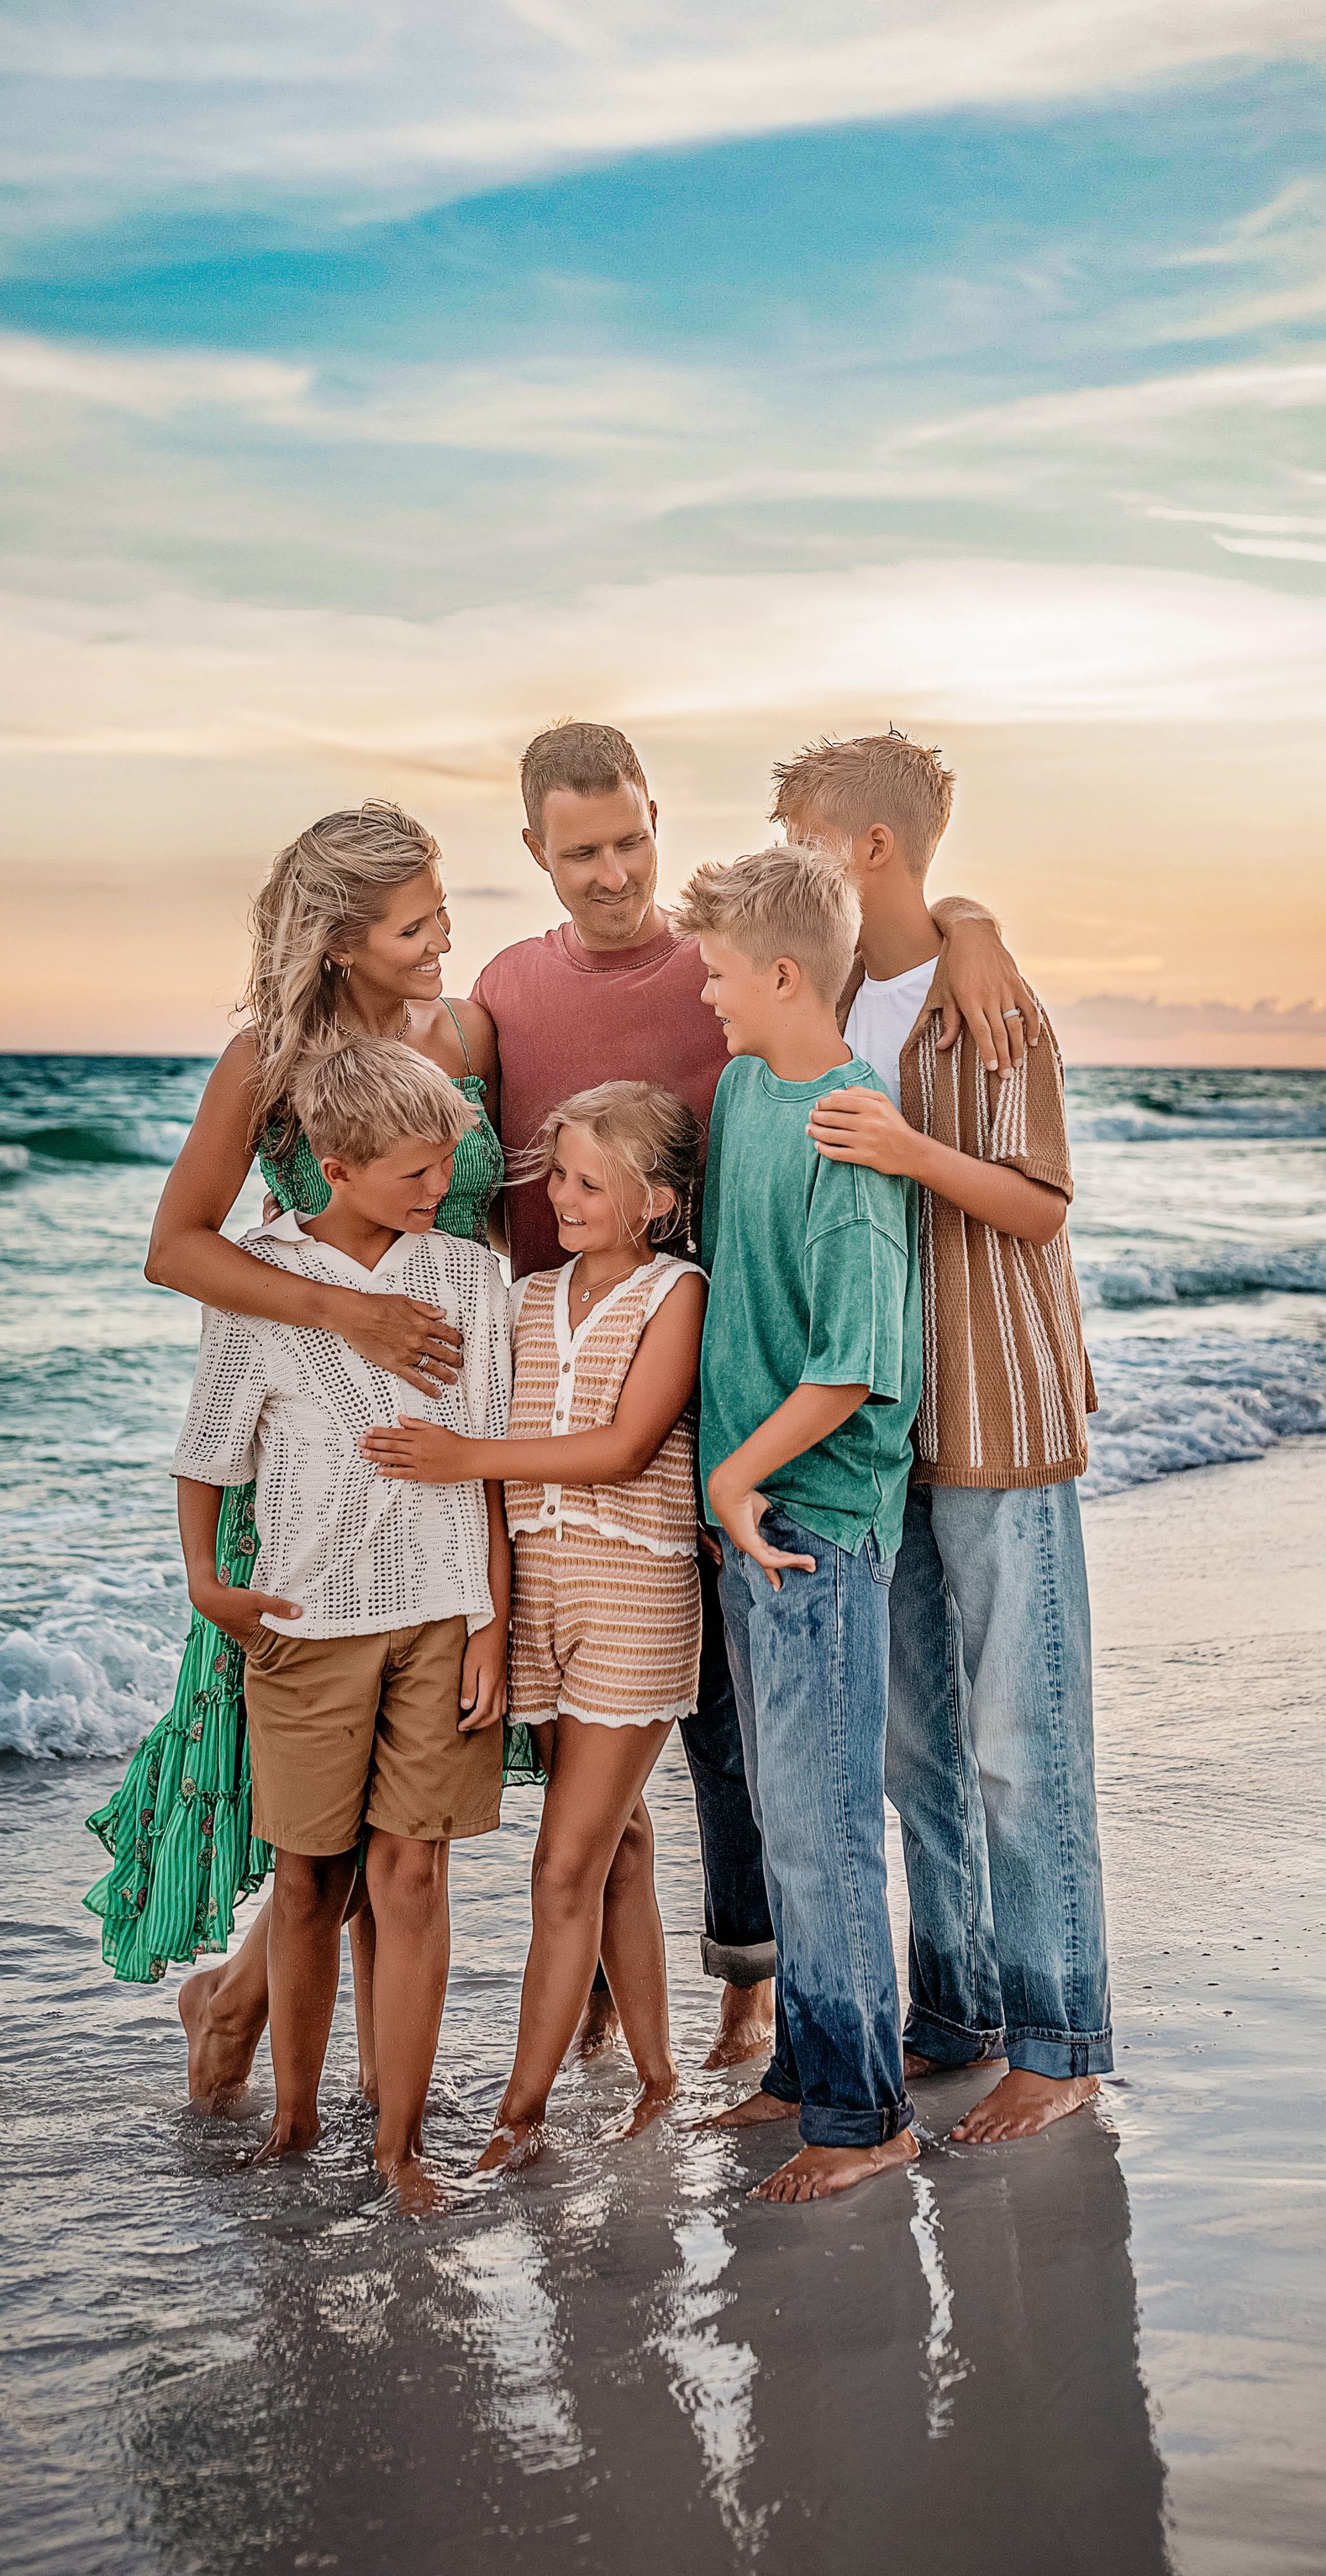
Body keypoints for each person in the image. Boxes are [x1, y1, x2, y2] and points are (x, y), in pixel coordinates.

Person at [473, 719, 1033, 2071]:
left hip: (754, 1419)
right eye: (581, 851)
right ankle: (684, 2018)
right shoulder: (537, 998)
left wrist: (972, 920)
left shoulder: (759, 1022)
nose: (613, 872)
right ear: (537, 853)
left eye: (629, 839)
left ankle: (798, 2030)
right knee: (651, 1725)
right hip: (618, 1373)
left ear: (656, 816)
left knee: (769, 1749)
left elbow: (859, 927)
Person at [83, 801, 509, 2120]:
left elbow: (494, 1218)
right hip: (320, 1456)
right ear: (339, 938)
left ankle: (378, 2106)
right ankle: (244, 2024)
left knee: (408, 1835)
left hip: (452, 1455)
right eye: (415, 921)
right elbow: (179, 1246)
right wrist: (350, 1312)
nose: (445, 937)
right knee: (315, 1826)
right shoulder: (266, 1059)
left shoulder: (468, 1035)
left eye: (442, 909)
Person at [774, 729, 1111, 2141]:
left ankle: (1060, 2030)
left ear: (871, 848)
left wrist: (912, 1146)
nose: (787, 856)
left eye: (798, 835)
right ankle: (956, 2007)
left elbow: (1041, 1202)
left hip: (1001, 1409)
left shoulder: (994, 996)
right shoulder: (837, 992)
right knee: (918, 1751)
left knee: (1023, 1741)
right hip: (884, 1423)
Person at [166, 1031, 513, 2213]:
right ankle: (298, 2120)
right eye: (417, 1171)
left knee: (412, 1875)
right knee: (309, 1879)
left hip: (440, 1611)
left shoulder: (466, 1276)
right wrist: (207, 1577)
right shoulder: (260, 1278)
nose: (438, 1191)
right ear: (331, 1158)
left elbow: (489, 1472)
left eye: (444, 1167)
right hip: (308, 1621)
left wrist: (491, 1622)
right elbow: (211, 1444)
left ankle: (400, 2148)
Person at [364, 1082, 707, 2168]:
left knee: (563, 1867)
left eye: (589, 1181)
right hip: (540, 1599)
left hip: (634, 1594)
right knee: (621, 1843)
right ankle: (658, 2075)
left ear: (654, 1199)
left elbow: (621, 1448)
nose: (561, 1195)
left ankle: (519, 2117)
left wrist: (468, 1459)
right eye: (556, 1173)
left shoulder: (679, 1295)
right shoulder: (526, 1296)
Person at [677, 844, 923, 2205]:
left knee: (827, 1821)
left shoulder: (847, 1121)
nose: (703, 996)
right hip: (749, 1516)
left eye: (717, 974)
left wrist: (730, 1479)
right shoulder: (737, 1089)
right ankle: (804, 2070)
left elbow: (853, 1358)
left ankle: (866, 2114)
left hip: (812, 1517)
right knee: (780, 1813)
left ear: (781, 974)